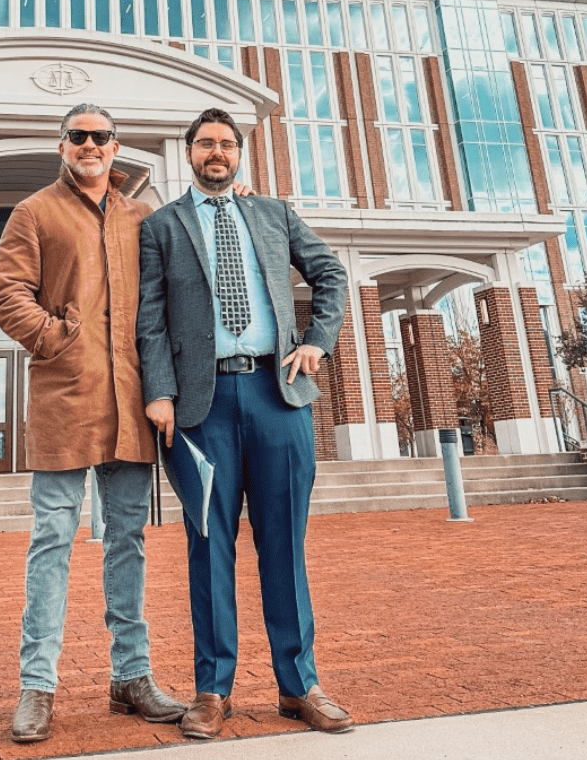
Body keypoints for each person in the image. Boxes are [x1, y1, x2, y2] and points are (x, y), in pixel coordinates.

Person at [137, 106, 353, 740]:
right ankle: (211, 689)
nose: (217, 153)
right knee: (209, 548)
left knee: (284, 545)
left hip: (277, 393)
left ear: (239, 153)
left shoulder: (274, 214)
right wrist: (160, 393)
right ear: (190, 153)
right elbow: (149, 317)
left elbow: (331, 274)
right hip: (201, 410)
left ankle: (299, 685)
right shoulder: (162, 227)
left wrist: (318, 339)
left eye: (227, 144)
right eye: (205, 144)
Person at [0, 103, 186, 744]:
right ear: (63, 145)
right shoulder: (34, 212)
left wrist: (236, 194)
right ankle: (37, 687)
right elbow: (4, 292)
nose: (90, 144)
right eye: (79, 136)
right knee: (52, 545)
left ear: (116, 146)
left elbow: (174, 287)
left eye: (101, 136)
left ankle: (131, 677)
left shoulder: (141, 217)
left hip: (131, 408)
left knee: (127, 543)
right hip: (65, 403)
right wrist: (55, 338)